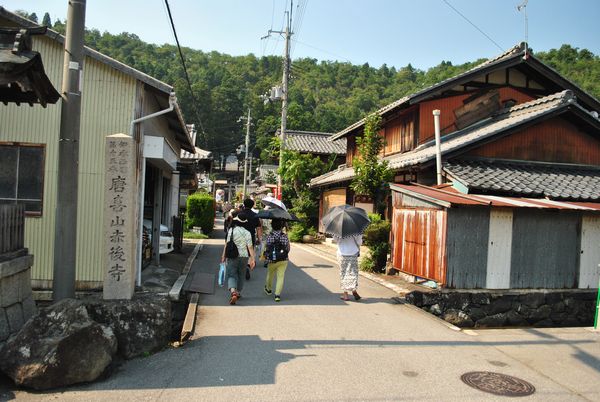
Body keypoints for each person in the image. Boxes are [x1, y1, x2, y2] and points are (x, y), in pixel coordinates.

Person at [221, 210, 256, 305]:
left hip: (232, 256)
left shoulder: (231, 230)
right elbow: (250, 247)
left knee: (232, 274)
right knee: (241, 274)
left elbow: (226, 244)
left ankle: (233, 292)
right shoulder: (247, 233)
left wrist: (223, 256)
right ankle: (238, 292)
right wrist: (253, 259)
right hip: (244, 257)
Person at [264, 218, 290, 302]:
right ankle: (277, 295)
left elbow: (266, 248)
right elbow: (288, 249)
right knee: (280, 277)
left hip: (272, 259)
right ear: (281, 227)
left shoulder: (269, 236)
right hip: (283, 259)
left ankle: (268, 289)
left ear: (272, 226)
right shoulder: (284, 236)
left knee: (270, 274)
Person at [239, 198, 262, 279]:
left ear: (244, 204)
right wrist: (259, 239)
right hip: (250, 236)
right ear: (252, 205)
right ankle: (247, 267)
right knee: (249, 252)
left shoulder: (240, 214)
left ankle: (241, 268)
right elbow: (258, 228)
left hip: (239, 236)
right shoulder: (255, 215)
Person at [334, 234, 362, 301]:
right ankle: (354, 290)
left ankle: (345, 294)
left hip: (342, 252)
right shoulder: (356, 230)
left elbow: (336, 240)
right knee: (353, 272)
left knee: (343, 272)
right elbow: (359, 242)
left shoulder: (338, 229)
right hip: (353, 252)